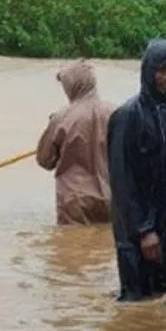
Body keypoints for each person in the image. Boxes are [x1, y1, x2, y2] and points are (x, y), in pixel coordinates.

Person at [107, 38, 166, 302]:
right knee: (136, 303)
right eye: (162, 70)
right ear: (148, 71)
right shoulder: (127, 116)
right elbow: (121, 181)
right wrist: (144, 230)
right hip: (134, 231)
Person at [35, 60, 114, 225]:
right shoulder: (116, 113)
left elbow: (45, 160)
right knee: (104, 246)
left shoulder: (62, 117)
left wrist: (52, 129)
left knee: (71, 246)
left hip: (75, 200)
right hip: (111, 196)